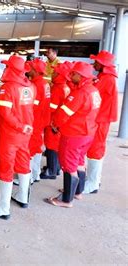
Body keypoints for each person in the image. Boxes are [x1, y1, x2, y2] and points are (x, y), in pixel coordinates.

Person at [0, 55, 35, 219]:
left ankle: (3, 208)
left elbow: (5, 113)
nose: (4, 69)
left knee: (6, 168)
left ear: (11, 70)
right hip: (25, 134)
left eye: (6, 67)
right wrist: (25, 127)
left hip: (10, 135)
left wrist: (19, 126)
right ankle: (23, 197)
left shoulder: (8, 88)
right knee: (24, 163)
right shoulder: (31, 86)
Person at [46, 62, 101, 208]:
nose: (71, 75)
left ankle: (66, 200)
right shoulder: (93, 91)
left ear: (81, 76)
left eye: (74, 73)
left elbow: (63, 114)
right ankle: (77, 192)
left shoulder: (79, 93)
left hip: (74, 134)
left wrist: (54, 125)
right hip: (88, 133)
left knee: (69, 165)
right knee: (79, 162)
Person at [84, 51, 118, 194]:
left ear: (103, 64)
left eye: (97, 62)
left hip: (101, 118)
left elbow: (90, 92)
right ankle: (93, 179)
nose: (94, 64)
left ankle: (92, 183)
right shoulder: (104, 76)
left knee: (95, 149)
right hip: (100, 117)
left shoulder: (106, 79)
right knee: (95, 148)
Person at [40, 61, 73, 180]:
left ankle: (51, 171)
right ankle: (56, 168)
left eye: (54, 72)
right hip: (59, 122)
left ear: (60, 75)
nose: (52, 74)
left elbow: (51, 108)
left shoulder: (58, 89)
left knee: (51, 146)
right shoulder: (65, 87)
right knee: (55, 146)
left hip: (53, 122)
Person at [26, 58, 51, 184]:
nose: (27, 69)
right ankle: (35, 174)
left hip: (35, 120)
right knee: (37, 147)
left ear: (35, 70)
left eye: (30, 67)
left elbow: (32, 106)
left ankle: (27, 177)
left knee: (30, 148)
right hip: (42, 120)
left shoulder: (36, 85)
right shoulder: (44, 83)